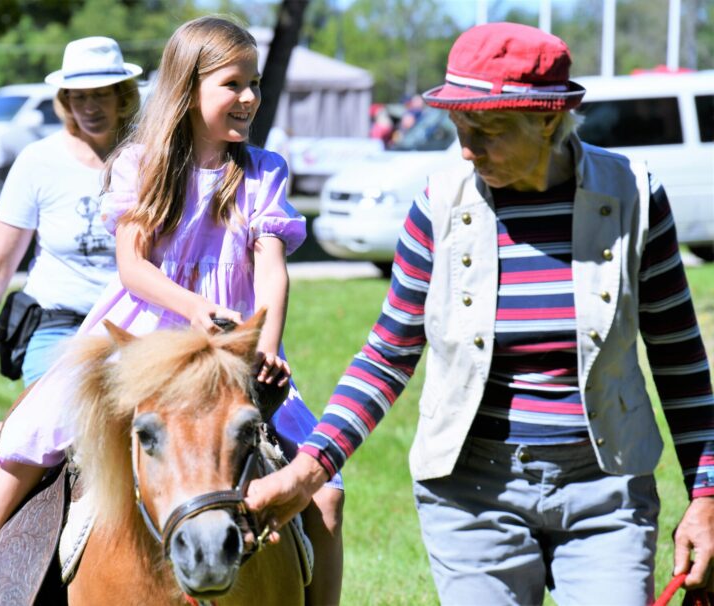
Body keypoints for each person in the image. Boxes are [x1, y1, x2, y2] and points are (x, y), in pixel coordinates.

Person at [246, 22, 714, 605]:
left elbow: (680, 360)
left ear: (548, 119)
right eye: (459, 127)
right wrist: (307, 470)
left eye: (488, 130)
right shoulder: (438, 206)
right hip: (471, 493)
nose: (467, 149)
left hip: (605, 490)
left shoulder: (634, 196)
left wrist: (706, 497)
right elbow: (387, 356)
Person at [0, 17, 344, 606]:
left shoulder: (264, 172)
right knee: (26, 444)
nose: (250, 97)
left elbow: (271, 269)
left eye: (253, 83)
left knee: (325, 489)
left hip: (231, 350)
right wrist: (192, 306)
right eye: (233, 84)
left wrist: (264, 347)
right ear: (188, 86)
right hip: (142, 336)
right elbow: (132, 266)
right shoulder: (142, 165)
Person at [0, 36, 141, 386]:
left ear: (122, 96)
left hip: (132, 323)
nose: (89, 107)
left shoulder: (149, 157)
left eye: (101, 94)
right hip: (56, 323)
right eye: (79, 96)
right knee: (50, 425)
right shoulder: (38, 160)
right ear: (65, 100)